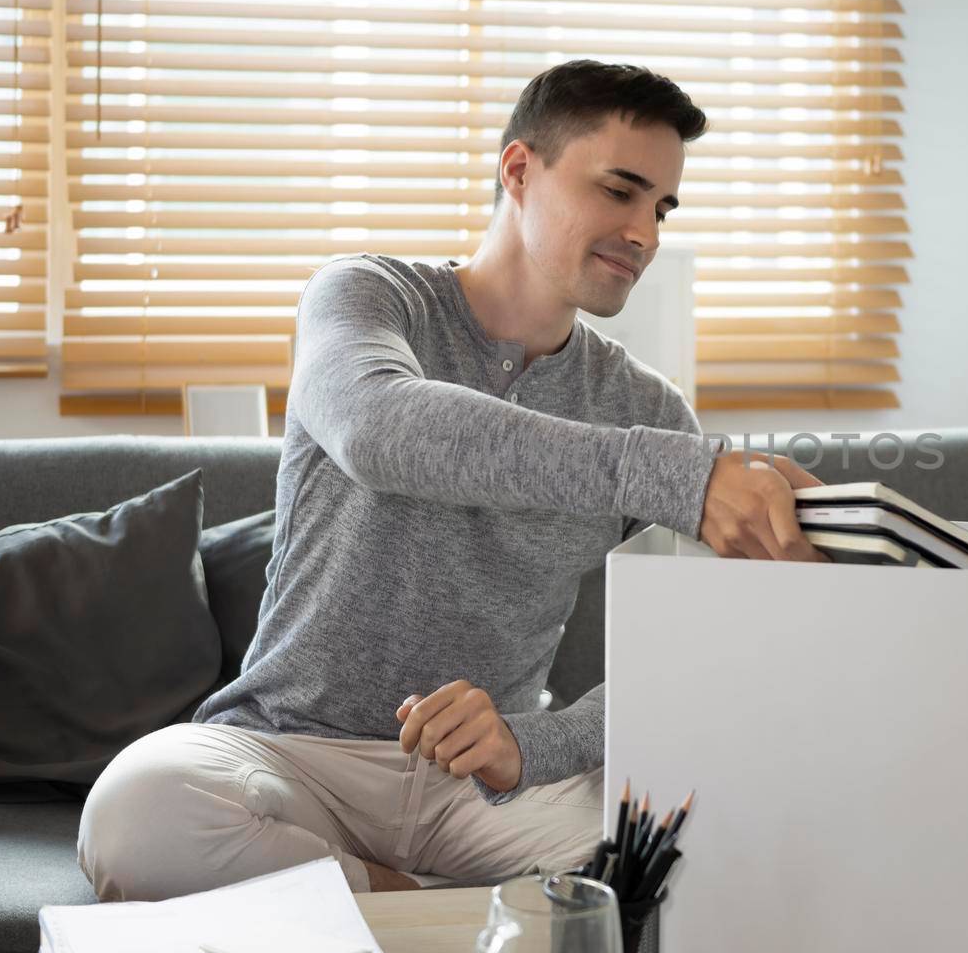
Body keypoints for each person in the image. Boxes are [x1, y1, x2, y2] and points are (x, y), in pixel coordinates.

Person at [76, 59, 829, 901]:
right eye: (620, 191)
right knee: (135, 815)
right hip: (291, 751)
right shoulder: (367, 296)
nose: (646, 232)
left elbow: (690, 649)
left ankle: (364, 907)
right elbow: (379, 426)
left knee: (708, 850)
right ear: (519, 170)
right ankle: (432, 910)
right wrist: (679, 474)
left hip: (488, 786)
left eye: (662, 205)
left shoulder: (645, 407)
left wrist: (532, 745)